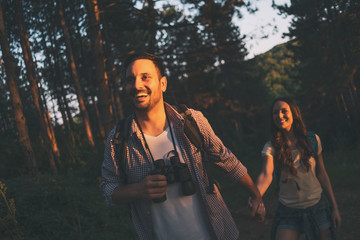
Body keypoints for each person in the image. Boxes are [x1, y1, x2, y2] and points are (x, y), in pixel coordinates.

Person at [100, 52, 265, 240]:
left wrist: (256, 194)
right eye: (130, 80)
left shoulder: (191, 121)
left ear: (163, 84)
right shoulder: (119, 139)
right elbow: (108, 187)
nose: (137, 85)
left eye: (145, 77)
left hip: (216, 233)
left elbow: (226, 161)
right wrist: (139, 189)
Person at [254, 97, 341, 240]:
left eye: (284, 111)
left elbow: (322, 175)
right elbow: (266, 174)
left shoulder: (313, 140)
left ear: (294, 113)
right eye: (275, 113)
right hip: (288, 211)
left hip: (316, 207)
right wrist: (256, 197)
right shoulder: (271, 147)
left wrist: (335, 208)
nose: (280, 116)